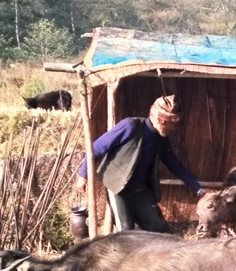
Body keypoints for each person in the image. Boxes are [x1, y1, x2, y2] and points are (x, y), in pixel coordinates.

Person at [74, 94, 203, 233]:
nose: (174, 128)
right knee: (125, 231)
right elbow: (96, 148)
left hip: (140, 190)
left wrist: (198, 188)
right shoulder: (130, 126)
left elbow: (175, 165)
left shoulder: (161, 140)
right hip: (118, 188)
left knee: (158, 228)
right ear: (161, 119)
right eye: (172, 123)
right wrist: (82, 175)